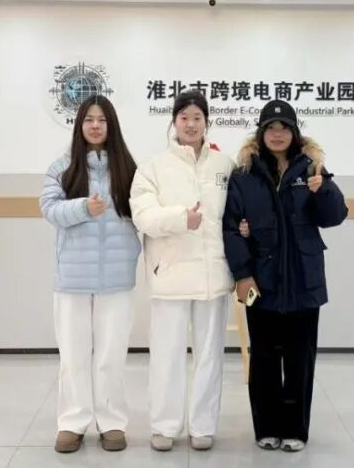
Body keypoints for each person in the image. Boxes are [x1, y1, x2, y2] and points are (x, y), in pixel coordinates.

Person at [223, 99, 348, 453]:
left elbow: (335, 215)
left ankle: (295, 429)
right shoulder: (244, 175)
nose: (277, 135)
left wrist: (322, 189)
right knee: (264, 358)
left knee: (299, 359)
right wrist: (243, 274)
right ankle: (266, 427)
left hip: (304, 280)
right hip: (260, 282)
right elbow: (231, 227)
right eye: (271, 128)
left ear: (294, 133)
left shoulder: (312, 169)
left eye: (284, 128)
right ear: (261, 133)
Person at [130, 90, 236, 452]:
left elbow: (237, 212)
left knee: (209, 355)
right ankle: (164, 426)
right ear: (174, 122)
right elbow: (143, 215)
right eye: (184, 117)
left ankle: (203, 425)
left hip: (212, 275)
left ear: (207, 122)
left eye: (197, 118)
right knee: (167, 355)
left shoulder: (224, 166)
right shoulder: (153, 167)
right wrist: (180, 218)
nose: (191, 124)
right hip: (170, 275)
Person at [39, 95, 140, 454]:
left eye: (102, 120)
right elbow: (49, 209)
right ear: (79, 125)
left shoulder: (129, 168)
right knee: (74, 355)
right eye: (89, 120)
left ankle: (112, 422)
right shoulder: (62, 167)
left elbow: (143, 212)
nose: (95, 126)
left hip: (117, 278)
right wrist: (84, 207)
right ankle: (72, 422)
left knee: (111, 355)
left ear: (111, 125)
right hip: (72, 280)